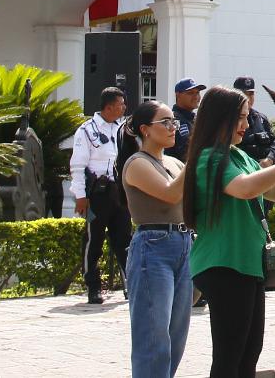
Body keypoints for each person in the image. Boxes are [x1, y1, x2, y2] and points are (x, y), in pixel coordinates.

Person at [184, 85, 275, 378]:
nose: (247, 125)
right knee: (230, 357)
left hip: (246, 265)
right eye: (240, 117)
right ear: (220, 117)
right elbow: (246, 188)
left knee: (249, 355)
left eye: (248, 116)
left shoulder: (239, 156)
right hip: (224, 264)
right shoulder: (208, 158)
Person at [118, 101, 192, 378]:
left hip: (184, 243)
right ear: (145, 130)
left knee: (176, 335)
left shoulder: (173, 162)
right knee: (154, 335)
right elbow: (171, 194)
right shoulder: (136, 163)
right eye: (166, 122)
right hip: (153, 246)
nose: (174, 127)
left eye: (174, 121)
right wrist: (196, 156)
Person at [71, 86, 132, 305]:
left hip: (120, 191)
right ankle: (94, 287)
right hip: (97, 192)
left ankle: (131, 284)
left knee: (125, 239)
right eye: (121, 104)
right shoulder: (87, 130)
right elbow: (78, 166)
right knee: (93, 241)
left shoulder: (123, 129)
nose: (124, 107)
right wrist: (80, 195)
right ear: (108, 106)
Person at [231, 77, 275, 165]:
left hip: (264, 170)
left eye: (251, 93)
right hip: (242, 169)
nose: (248, 98)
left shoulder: (261, 118)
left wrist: (270, 159)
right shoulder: (229, 120)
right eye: (244, 94)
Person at [167, 78, 205, 162]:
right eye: (190, 93)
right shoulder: (173, 119)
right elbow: (185, 152)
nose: (196, 97)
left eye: (197, 93)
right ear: (178, 95)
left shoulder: (195, 118)